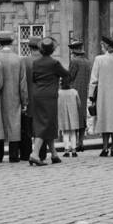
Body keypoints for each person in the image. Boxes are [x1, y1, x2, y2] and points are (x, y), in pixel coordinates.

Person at [27, 37, 71, 165]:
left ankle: (54, 154)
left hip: (37, 94)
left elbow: (34, 79)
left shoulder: (35, 63)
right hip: (49, 96)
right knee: (46, 124)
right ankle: (35, 154)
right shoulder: (54, 63)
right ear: (52, 50)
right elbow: (67, 74)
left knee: (47, 123)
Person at [89, 33, 113, 155]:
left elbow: (94, 80)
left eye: (102, 45)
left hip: (103, 95)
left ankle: (105, 147)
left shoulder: (99, 60)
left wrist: (91, 96)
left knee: (104, 120)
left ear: (106, 46)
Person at [0, 33, 28, 163]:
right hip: (14, 97)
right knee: (14, 125)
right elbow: (22, 83)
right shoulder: (18, 59)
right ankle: (13, 155)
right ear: (11, 43)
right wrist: (24, 100)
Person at [66, 37, 91, 152]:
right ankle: (81, 141)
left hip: (74, 91)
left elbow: (70, 76)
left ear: (73, 51)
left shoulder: (74, 61)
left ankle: (74, 142)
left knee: (74, 117)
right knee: (82, 117)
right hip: (84, 92)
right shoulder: (87, 61)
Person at [20, 37, 39, 157]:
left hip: (29, 97)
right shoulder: (47, 60)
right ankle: (41, 152)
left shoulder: (25, 61)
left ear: (29, 48)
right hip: (42, 98)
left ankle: (26, 153)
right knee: (40, 127)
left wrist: (24, 100)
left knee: (27, 128)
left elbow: (22, 82)